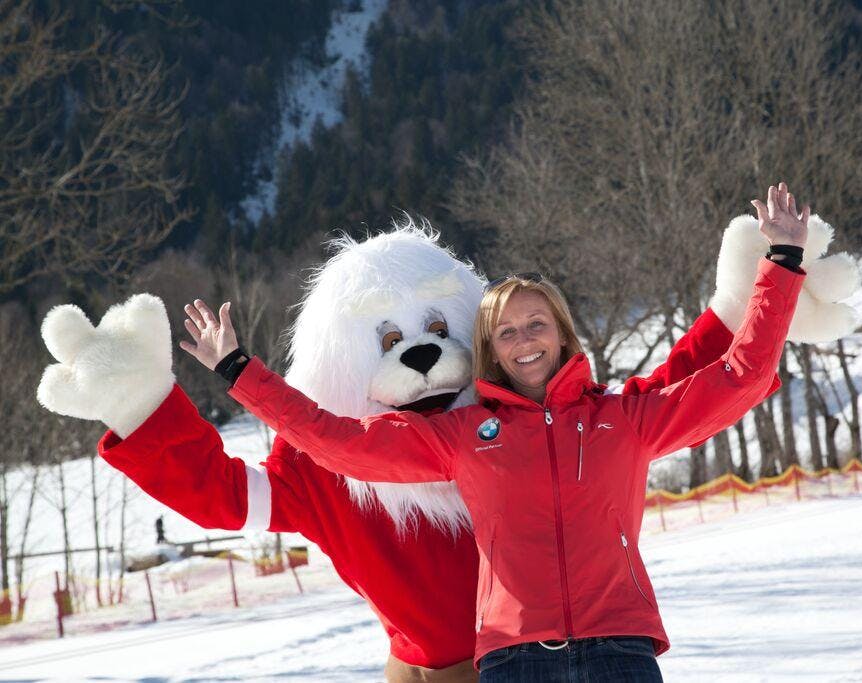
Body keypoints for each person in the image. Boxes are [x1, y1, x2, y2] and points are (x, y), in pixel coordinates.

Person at [181, 184, 810, 682]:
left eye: (535, 324)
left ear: (562, 332)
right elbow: (340, 443)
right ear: (489, 348)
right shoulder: (464, 437)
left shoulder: (622, 419)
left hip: (620, 649)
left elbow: (742, 376)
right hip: (516, 659)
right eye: (506, 332)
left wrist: (780, 263)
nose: (524, 340)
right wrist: (240, 370)